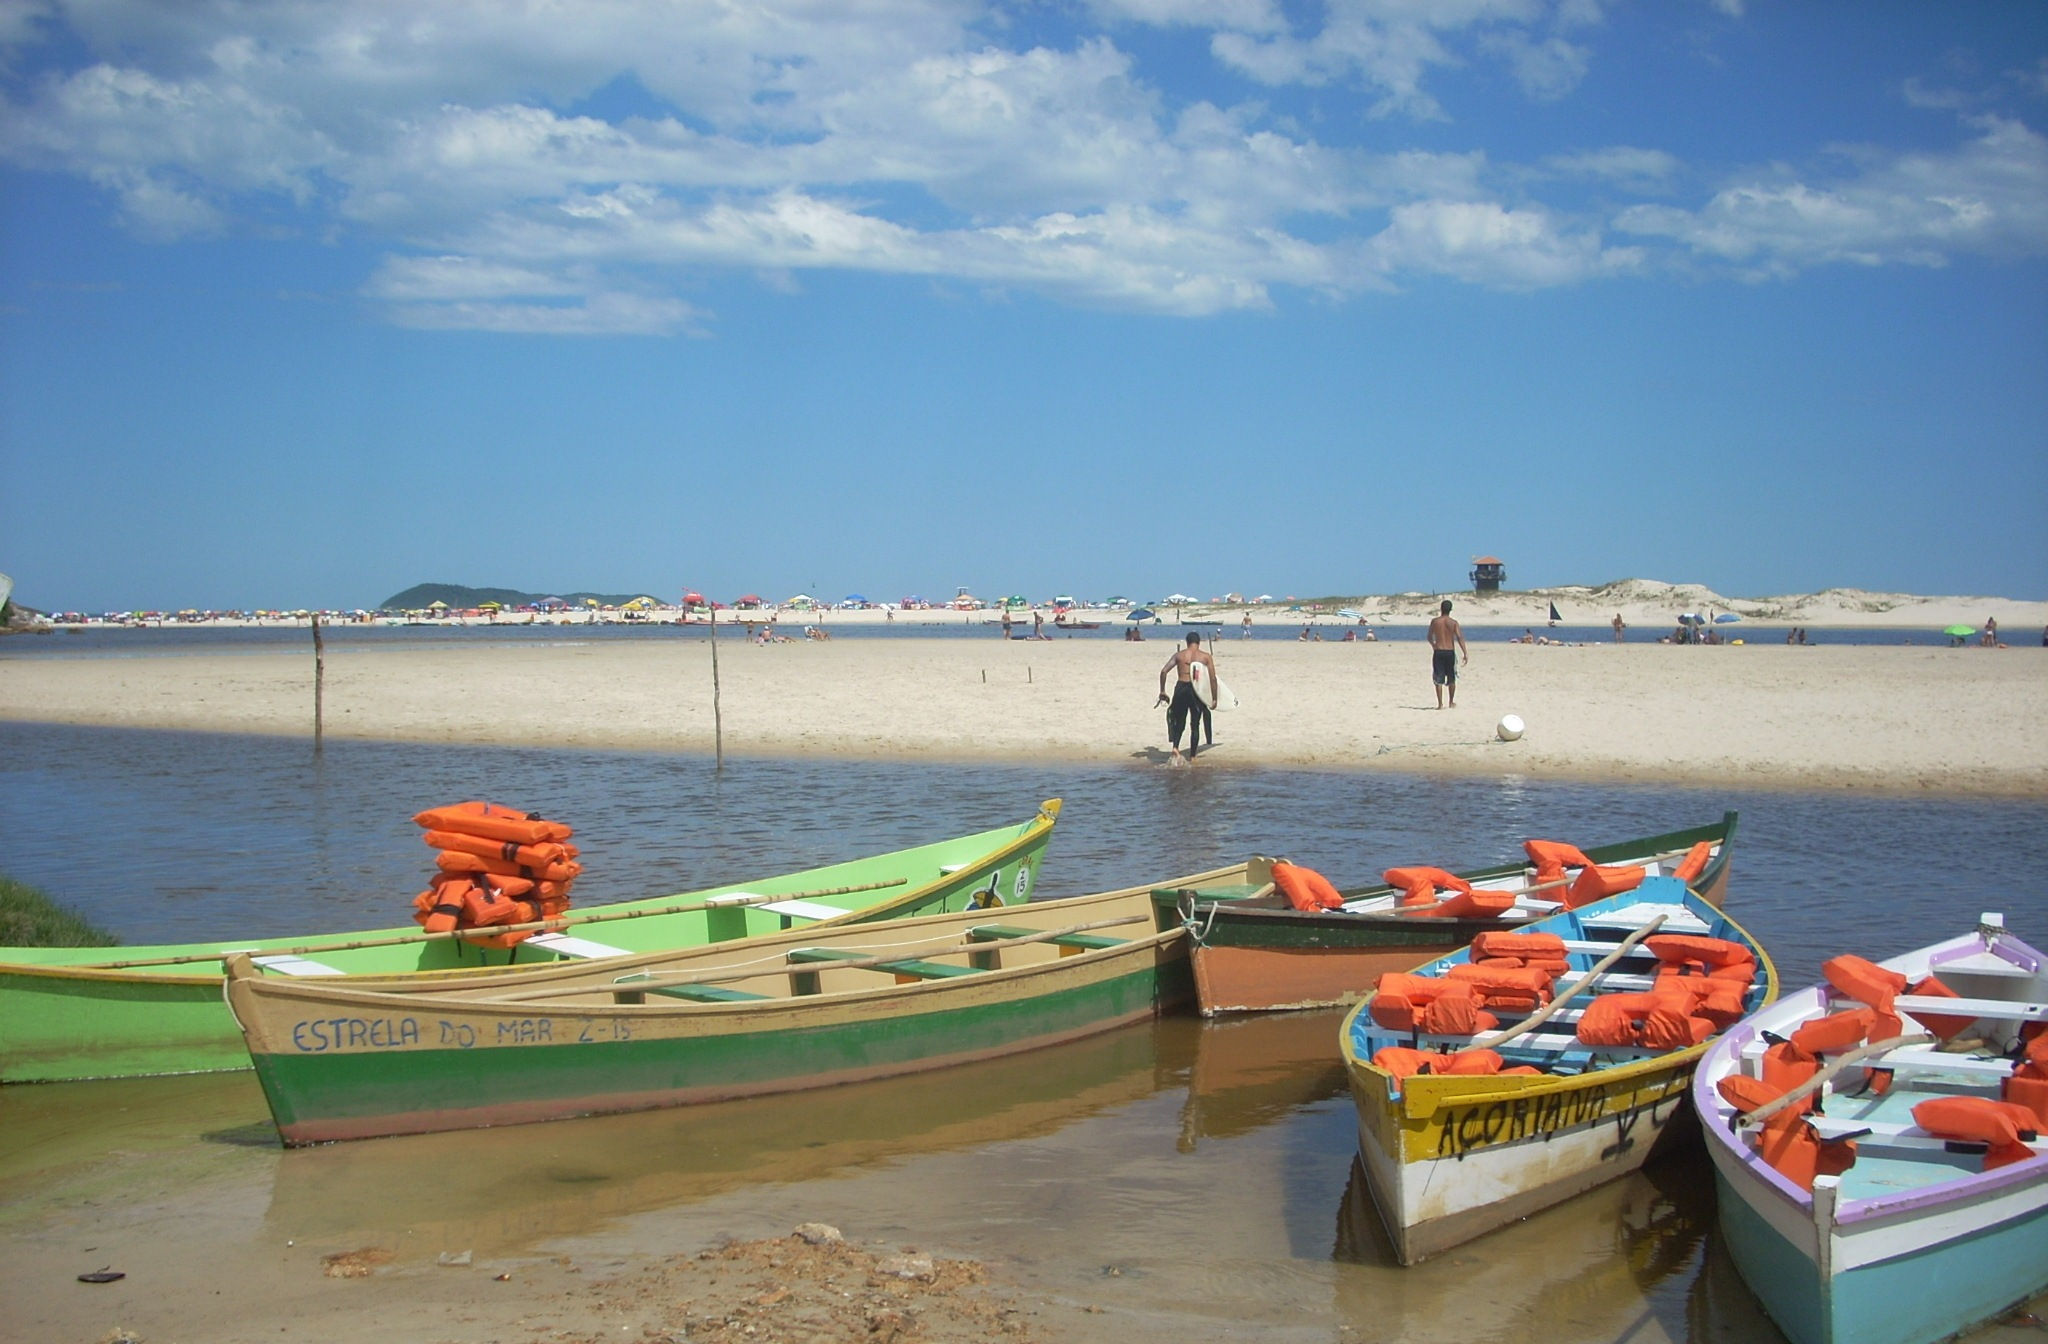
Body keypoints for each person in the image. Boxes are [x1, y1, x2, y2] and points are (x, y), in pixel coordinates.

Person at [1157, 632, 1217, 764]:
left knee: (1180, 721)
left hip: (1180, 688)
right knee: (1195, 724)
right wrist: (1214, 698)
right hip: (1196, 690)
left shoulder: (1179, 655)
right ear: (1199, 642)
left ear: (1187, 642)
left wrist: (1162, 690)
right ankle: (1193, 756)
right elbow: (1212, 678)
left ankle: (1176, 748)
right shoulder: (1205, 657)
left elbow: (1163, 671)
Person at [1428, 599, 1468, 709]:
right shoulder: (1453, 623)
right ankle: (1451, 702)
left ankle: (1440, 704)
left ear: (1441, 609)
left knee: (1438, 678)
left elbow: (1429, 636)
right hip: (1449, 651)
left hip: (1439, 651)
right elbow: (1460, 637)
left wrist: (1434, 645)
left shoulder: (1435, 622)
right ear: (1450, 610)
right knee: (1452, 678)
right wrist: (1465, 652)